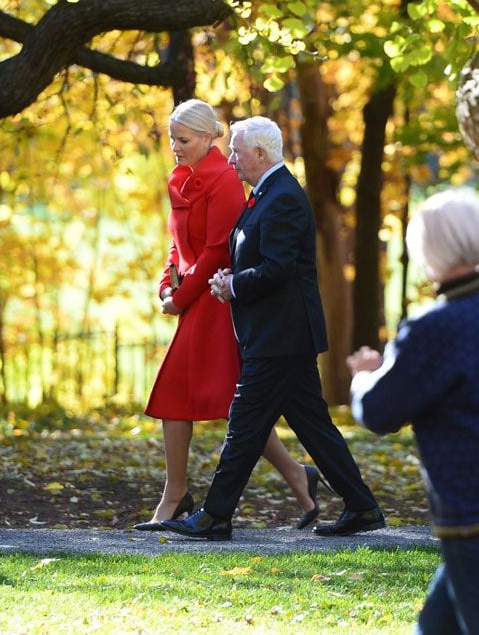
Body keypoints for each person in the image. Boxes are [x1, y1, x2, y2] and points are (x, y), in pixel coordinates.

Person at [162, 115, 384, 540]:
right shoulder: (265, 193)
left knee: (244, 423)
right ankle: (363, 506)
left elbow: (279, 269)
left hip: (281, 336)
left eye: (237, 152)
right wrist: (230, 279)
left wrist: (233, 286)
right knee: (313, 426)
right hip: (281, 334)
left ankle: (214, 515)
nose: (230, 158)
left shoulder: (281, 196)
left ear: (260, 154)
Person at [348, 190, 479, 634]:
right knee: (436, 625)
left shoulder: (432, 326)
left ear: (426, 248)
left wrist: (364, 375)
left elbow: (379, 412)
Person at [134, 100, 319, 531]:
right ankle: (296, 475)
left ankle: (176, 496)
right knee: (225, 404)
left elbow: (218, 252)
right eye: (172, 139)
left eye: (183, 140)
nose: (175, 147)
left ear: (206, 137)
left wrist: (180, 301)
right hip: (191, 298)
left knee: (208, 400)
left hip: (215, 303)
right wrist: (166, 285)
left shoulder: (223, 180)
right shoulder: (178, 179)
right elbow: (178, 247)